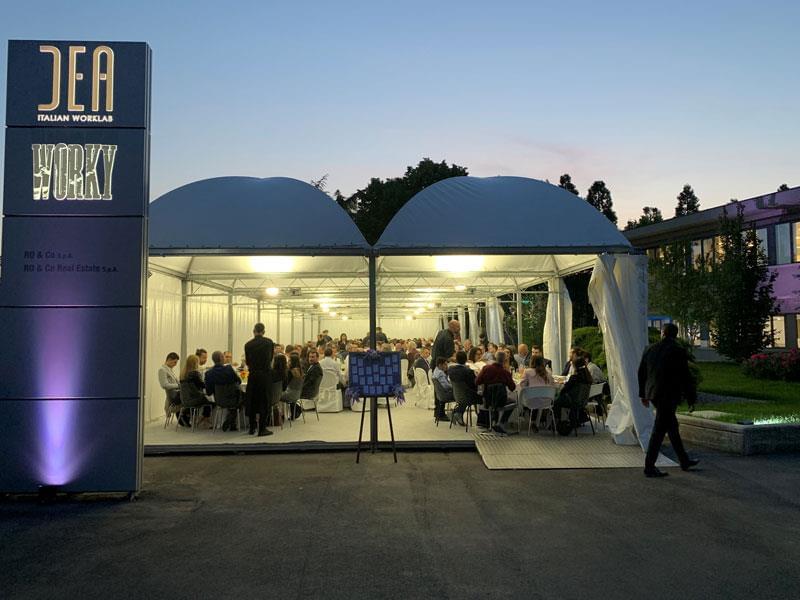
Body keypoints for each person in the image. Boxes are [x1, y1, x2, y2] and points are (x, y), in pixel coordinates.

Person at [638, 323, 699, 478]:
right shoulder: (678, 350)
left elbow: (642, 372)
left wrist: (643, 394)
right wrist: (691, 398)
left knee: (671, 427)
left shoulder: (649, 349)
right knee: (659, 430)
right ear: (675, 335)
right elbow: (685, 376)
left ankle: (684, 460)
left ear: (662, 333)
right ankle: (649, 466)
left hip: (654, 393)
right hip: (669, 394)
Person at [244, 323, 275, 436]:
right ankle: (262, 428)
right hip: (265, 375)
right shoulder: (269, 342)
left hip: (253, 375)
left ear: (254, 331)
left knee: (252, 400)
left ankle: (252, 427)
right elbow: (270, 358)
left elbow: (247, 361)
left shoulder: (248, 345)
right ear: (264, 331)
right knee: (264, 401)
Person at [476, 351, 516, 434]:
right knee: (513, 402)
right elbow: (512, 387)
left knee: (494, 403)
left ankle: (493, 423)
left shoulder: (486, 368)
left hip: (487, 399)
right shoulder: (505, 372)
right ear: (504, 360)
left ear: (495, 358)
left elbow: (477, 382)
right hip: (501, 400)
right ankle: (500, 422)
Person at [553, 356, 594, 433]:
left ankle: (557, 423)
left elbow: (564, 390)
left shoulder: (574, 377)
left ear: (575, 366)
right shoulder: (588, 378)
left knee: (555, 402)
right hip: (583, 401)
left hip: (572, 401)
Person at [204, 350, 242, 431]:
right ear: (221, 358)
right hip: (233, 399)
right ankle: (230, 419)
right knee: (244, 398)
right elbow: (239, 381)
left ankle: (232, 423)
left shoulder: (208, 373)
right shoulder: (229, 369)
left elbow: (209, 392)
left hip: (219, 400)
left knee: (235, 401)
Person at [179, 354, 213, 428]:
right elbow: (203, 385)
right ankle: (204, 419)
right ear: (195, 363)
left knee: (205, 399)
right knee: (211, 402)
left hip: (184, 399)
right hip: (194, 399)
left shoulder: (183, 373)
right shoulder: (195, 374)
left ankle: (186, 413)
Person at [447, 350, 480, 426]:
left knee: (464, 393)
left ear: (456, 359)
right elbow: (474, 384)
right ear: (466, 359)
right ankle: (483, 419)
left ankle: (457, 412)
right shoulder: (468, 371)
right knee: (483, 395)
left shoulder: (451, 369)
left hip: (456, 394)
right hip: (468, 396)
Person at [158, 352, 184, 425]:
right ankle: (183, 418)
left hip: (176, 392)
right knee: (188, 397)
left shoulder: (170, 369)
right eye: (175, 362)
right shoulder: (162, 370)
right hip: (173, 395)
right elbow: (164, 385)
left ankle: (184, 418)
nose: (175, 364)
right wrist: (178, 385)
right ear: (169, 359)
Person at [431, 357, 454, 421]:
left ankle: (440, 414)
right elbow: (446, 386)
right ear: (440, 365)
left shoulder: (436, 370)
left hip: (439, 394)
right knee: (460, 395)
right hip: (444, 394)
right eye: (445, 364)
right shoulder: (440, 373)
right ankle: (456, 413)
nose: (447, 366)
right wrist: (454, 386)